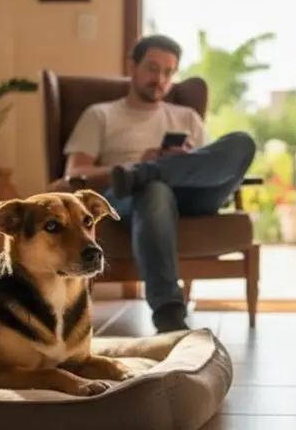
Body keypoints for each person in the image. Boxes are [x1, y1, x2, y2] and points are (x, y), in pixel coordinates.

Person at [63, 34, 256, 333]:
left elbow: (210, 166)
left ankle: (147, 171)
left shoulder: (187, 117)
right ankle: (169, 313)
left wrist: (183, 161)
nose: (161, 79)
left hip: (192, 195)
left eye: (169, 72)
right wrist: (131, 166)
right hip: (131, 196)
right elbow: (76, 172)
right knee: (155, 189)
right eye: (153, 69)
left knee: (242, 142)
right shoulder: (101, 114)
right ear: (133, 66)